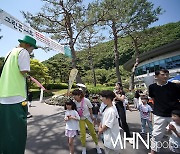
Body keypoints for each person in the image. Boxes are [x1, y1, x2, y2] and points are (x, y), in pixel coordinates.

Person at [0, 35, 38, 154]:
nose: (32, 51)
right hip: (16, 97)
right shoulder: (23, 52)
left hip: (3, 95)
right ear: (27, 45)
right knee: (17, 134)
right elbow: (23, 71)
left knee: (5, 132)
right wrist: (29, 76)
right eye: (32, 48)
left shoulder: (9, 53)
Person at [149, 69, 180, 154]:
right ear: (156, 76)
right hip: (159, 114)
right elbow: (153, 98)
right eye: (163, 74)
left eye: (167, 74)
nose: (165, 76)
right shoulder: (152, 87)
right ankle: (153, 152)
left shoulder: (175, 86)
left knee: (178, 134)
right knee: (156, 135)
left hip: (174, 115)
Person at [72, 89, 102, 154]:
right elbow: (72, 110)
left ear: (79, 95)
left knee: (93, 132)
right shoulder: (74, 102)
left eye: (75, 95)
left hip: (88, 118)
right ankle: (84, 148)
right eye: (73, 95)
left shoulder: (86, 100)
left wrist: (91, 116)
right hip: (80, 119)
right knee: (82, 134)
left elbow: (90, 108)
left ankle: (97, 146)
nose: (74, 97)